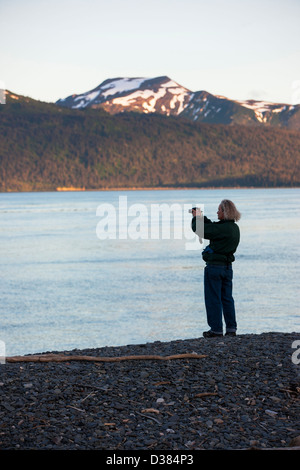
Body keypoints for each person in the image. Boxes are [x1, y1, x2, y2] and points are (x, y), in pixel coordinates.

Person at [191, 200, 241, 338]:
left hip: (214, 268)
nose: (217, 212)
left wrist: (196, 218)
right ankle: (231, 328)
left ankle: (216, 330)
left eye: (219, 210)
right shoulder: (233, 228)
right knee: (227, 298)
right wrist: (202, 217)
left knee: (213, 298)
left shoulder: (223, 228)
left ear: (225, 212)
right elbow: (212, 228)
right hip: (227, 268)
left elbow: (201, 230)